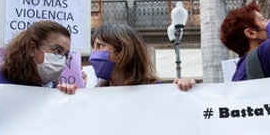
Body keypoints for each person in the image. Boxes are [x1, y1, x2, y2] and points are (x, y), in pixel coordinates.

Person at [57, 23, 195, 94]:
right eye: (93, 47)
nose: (93, 53)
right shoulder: (96, 95)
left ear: (123, 51)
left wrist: (185, 88)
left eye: (99, 46)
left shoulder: (156, 92)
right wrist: (68, 94)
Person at [0, 20, 72, 94]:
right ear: (32, 48)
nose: (61, 58)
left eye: (65, 54)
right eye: (57, 50)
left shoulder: (55, 91)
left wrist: (68, 97)